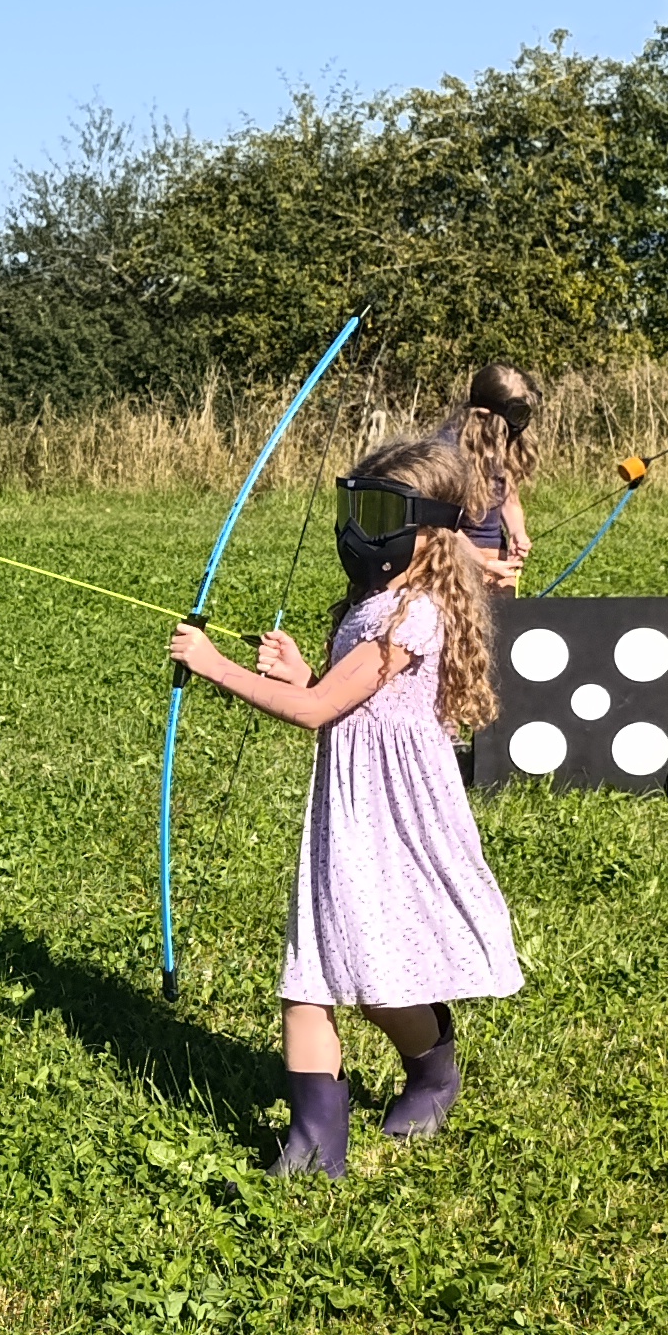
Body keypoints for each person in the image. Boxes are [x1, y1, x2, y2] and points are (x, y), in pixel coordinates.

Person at [164, 434, 523, 1180]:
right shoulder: (372, 608)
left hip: (392, 819)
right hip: (351, 810)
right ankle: (316, 1144)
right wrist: (300, 670)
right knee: (316, 974)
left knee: (378, 979)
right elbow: (338, 695)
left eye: (382, 510)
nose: (361, 527)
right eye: (353, 505)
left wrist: (216, 666)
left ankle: (432, 1072)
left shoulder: (413, 616)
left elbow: (319, 710)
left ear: (430, 527)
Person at [451, 366, 538, 588]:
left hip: (496, 559)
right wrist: (483, 563)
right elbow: (440, 526)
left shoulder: (503, 443)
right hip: (453, 558)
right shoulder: (447, 451)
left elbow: (509, 498)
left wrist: (518, 532)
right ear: (484, 413)